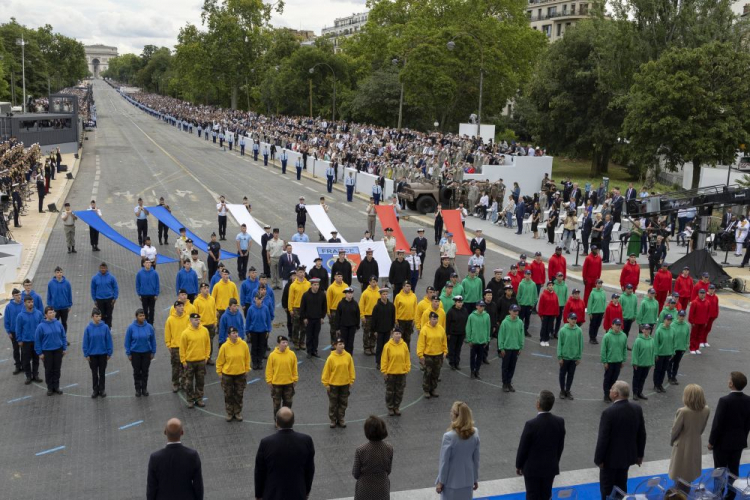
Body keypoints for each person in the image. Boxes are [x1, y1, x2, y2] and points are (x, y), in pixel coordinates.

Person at [594, 380, 647, 500]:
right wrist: (640, 455)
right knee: (622, 487)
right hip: (627, 457)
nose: (610, 390)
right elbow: (642, 434)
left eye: (612, 389)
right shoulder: (637, 408)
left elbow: (603, 439)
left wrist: (598, 459)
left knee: (607, 490)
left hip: (610, 460)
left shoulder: (608, 413)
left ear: (616, 394)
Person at [254, 407, 315, 500]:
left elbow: (260, 472)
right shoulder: (306, 440)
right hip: (297, 493)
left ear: (277, 422)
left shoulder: (266, 443)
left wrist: (258, 494)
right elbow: (309, 470)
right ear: (293, 421)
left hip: (272, 494)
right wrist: (306, 491)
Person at [515, 390, 566, 500]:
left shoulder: (531, 424)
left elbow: (523, 448)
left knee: (532, 495)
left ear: (538, 404)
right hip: (550, 467)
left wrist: (519, 465)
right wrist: (555, 461)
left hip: (532, 469)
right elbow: (560, 446)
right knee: (546, 495)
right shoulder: (559, 422)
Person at [708, 371, 750, 491]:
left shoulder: (724, 400)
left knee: (719, 470)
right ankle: (731, 494)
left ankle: (718, 493)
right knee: (734, 469)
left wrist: (711, 441)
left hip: (722, 443)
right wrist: (743, 437)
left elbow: (717, 423)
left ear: (731, 383)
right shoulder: (748, 400)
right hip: (738, 442)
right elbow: (748, 423)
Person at [146, 418, 204, 500]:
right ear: (182, 432)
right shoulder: (192, 456)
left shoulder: (155, 458)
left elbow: (151, 488)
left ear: (165, 432)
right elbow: (198, 486)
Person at [669, 384, 711, 491]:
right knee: (690, 469)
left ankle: (680, 493)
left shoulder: (683, 411)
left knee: (680, 471)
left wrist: (672, 441)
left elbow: (675, 430)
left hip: (682, 444)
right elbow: (702, 428)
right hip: (696, 442)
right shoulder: (706, 409)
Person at [436, 401, 480, 500]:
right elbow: (476, 459)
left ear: (456, 415)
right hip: (468, 480)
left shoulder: (448, 436)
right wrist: (475, 478)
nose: (450, 413)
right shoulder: (475, 433)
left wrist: (441, 482)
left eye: (451, 411)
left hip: (451, 481)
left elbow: (444, 462)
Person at [353, 415, 393, 500]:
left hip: (364, 490)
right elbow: (388, 470)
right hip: (382, 489)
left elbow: (355, 473)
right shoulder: (389, 448)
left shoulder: (361, 450)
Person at [216, 326, 250, 422]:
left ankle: (238, 412)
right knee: (228, 394)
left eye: (236, 332)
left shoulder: (243, 345)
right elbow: (219, 361)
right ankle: (230, 412)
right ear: (229, 335)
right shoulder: (224, 346)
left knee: (239, 394)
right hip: (227, 375)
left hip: (240, 374)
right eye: (233, 333)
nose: (235, 335)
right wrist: (219, 372)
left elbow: (247, 358)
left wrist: (247, 370)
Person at [321, 338, 356, 428]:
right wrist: (326, 384)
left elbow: (351, 369)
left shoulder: (348, 356)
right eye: (340, 344)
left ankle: (341, 418)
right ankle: (333, 419)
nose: (342, 346)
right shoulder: (331, 358)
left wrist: (351, 381)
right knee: (333, 403)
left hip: (345, 384)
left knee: (343, 403)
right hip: (333, 385)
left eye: (342, 344)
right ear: (335, 346)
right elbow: (326, 372)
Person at [35, 306, 67, 396]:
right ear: (45, 315)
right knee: (49, 370)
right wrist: (40, 353)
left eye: (53, 312)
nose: (52, 314)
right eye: (50, 313)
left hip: (58, 350)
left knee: (57, 369)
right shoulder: (40, 327)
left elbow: (63, 336)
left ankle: (56, 386)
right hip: (47, 351)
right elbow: (37, 340)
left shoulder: (58, 323)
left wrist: (64, 348)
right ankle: (50, 387)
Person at [181, 313, 210, 409]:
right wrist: (183, 361)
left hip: (201, 361)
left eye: (198, 320)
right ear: (190, 320)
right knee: (189, 383)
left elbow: (207, 345)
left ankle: (199, 399)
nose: (198, 322)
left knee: (200, 381)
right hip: (190, 362)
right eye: (195, 320)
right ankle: (190, 400)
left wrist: (206, 357)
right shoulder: (185, 333)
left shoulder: (204, 331)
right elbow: (182, 348)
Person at [82, 308, 113, 398]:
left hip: (103, 354)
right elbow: (85, 342)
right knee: (94, 373)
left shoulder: (105, 327)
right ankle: (95, 390)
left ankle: (102, 389)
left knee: (102, 373)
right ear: (92, 317)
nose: (99, 318)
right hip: (92, 355)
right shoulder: (88, 328)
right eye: (96, 316)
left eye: (100, 316)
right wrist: (86, 354)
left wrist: (109, 352)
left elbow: (108, 340)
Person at [124, 309, 156, 397]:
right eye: (140, 316)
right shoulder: (131, 328)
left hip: (146, 352)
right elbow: (127, 341)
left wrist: (153, 351)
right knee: (137, 372)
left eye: (143, 316)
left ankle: (144, 388)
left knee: (145, 371)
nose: (142, 317)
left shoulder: (149, 327)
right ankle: (138, 389)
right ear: (136, 317)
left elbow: (153, 340)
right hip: (135, 353)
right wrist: (129, 353)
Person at [266, 335, 299, 417]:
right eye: (283, 342)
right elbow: (269, 370)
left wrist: (295, 379)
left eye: (286, 342)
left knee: (288, 404)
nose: (285, 344)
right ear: (278, 344)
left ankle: (286, 421)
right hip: (276, 384)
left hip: (288, 383)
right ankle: (277, 421)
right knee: (276, 405)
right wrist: (269, 381)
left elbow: (294, 368)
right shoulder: (272, 355)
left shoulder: (292, 354)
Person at [418, 312, 448, 398]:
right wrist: (420, 355)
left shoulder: (441, 329)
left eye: (436, 319)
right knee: (428, 373)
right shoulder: (424, 330)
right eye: (433, 319)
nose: (435, 321)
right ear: (430, 319)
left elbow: (444, 341)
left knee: (436, 373)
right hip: (428, 355)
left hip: (438, 354)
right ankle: (426, 390)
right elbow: (421, 343)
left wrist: (445, 352)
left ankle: (433, 389)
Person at [381, 328, 410, 416]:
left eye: (399, 334)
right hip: (391, 373)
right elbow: (384, 360)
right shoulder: (387, 346)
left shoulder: (404, 345)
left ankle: (396, 407)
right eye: (396, 334)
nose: (398, 335)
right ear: (392, 335)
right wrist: (384, 371)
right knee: (390, 391)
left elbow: (407, 358)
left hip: (401, 373)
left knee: (399, 391)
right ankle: (390, 407)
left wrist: (407, 368)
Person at [15, 295, 43, 384]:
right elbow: (18, 329)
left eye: (32, 302)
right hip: (26, 341)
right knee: (26, 360)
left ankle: (35, 375)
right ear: (25, 303)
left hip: (36, 341)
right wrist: (19, 340)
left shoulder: (38, 313)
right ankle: (28, 376)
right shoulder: (20, 316)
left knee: (36, 359)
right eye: (29, 302)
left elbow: (41, 327)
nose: (31, 304)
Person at [498, 305, 524, 392]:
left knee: (512, 367)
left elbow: (521, 335)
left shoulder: (520, 322)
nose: (516, 313)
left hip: (515, 348)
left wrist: (521, 346)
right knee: (505, 367)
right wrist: (501, 348)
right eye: (514, 311)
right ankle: (504, 383)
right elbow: (501, 336)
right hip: (507, 348)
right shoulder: (505, 322)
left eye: (517, 311)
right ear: (510, 311)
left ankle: (509, 383)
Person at [557, 313, 583, 400]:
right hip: (565, 357)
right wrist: (560, 357)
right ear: (568, 319)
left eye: (575, 318)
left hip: (574, 358)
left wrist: (579, 357)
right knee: (562, 374)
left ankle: (568, 390)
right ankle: (562, 390)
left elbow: (580, 344)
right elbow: (560, 344)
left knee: (571, 375)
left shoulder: (579, 330)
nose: (574, 320)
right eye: (572, 318)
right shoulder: (563, 330)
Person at [601, 319, 627, 402]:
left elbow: (624, 349)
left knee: (614, 380)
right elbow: (603, 350)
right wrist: (604, 361)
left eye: (619, 325)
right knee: (607, 379)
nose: (618, 326)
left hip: (618, 361)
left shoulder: (623, 336)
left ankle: (611, 395)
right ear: (612, 325)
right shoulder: (607, 336)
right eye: (616, 325)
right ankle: (606, 395)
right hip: (610, 361)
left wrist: (623, 360)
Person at [465, 300, 490, 380]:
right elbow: (468, 328)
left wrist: (487, 339)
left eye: (483, 306)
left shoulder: (487, 316)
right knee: (472, 357)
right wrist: (469, 339)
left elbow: (488, 328)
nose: (481, 307)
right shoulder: (472, 316)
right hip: (474, 341)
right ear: (476, 306)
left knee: (479, 357)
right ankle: (472, 371)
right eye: (480, 306)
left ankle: (477, 371)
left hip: (482, 341)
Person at [245, 293, 271, 370]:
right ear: (254, 299)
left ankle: (259, 362)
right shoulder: (251, 309)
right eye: (257, 299)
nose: (259, 300)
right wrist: (247, 331)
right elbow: (248, 321)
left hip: (263, 331)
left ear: (262, 299)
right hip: (254, 331)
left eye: (260, 299)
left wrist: (268, 330)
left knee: (261, 347)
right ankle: (254, 362)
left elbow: (268, 320)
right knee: (254, 347)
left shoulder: (265, 308)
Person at [91, 263, 118, 328]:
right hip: (99, 299)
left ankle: (109, 328)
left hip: (109, 299)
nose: (103, 269)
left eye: (104, 268)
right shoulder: (95, 278)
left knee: (109, 315)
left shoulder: (112, 277)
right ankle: (102, 327)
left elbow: (115, 287)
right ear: (99, 268)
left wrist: (115, 297)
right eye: (101, 268)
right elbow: (93, 289)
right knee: (101, 315)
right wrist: (94, 299)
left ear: (106, 268)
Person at [632, 325, 655, 400]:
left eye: (649, 329)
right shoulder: (638, 340)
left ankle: (640, 392)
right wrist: (635, 363)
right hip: (639, 364)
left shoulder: (651, 340)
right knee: (636, 378)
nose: (648, 331)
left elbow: (652, 352)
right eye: (646, 329)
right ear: (642, 330)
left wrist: (652, 362)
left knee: (643, 379)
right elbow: (635, 352)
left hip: (647, 363)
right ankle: (635, 393)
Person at [653, 315, 675, 393]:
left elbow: (673, 341)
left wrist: (673, 351)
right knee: (658, 370)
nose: (669, 321)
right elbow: (656, 343)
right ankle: (656, 385)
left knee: (663, 370)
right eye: (668, 320)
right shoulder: (659, 330)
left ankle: (660, 384)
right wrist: (656, 354)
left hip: (668, 353)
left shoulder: (672, 330)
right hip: (660, 354)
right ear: (664, 320)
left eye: (670, 320)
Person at [667, 310, 689, 385]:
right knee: (670, 362)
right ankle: (669, 377)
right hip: (673, 348)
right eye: (680, 315)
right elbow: (670, 336)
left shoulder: (686, 325)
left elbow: (687, 336)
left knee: (676, 363)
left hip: (681, 348)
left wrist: (686, 345)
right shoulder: (673, 324)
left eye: (683, 316)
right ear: (677, 316)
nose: (682, 317)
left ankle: (674, 376)